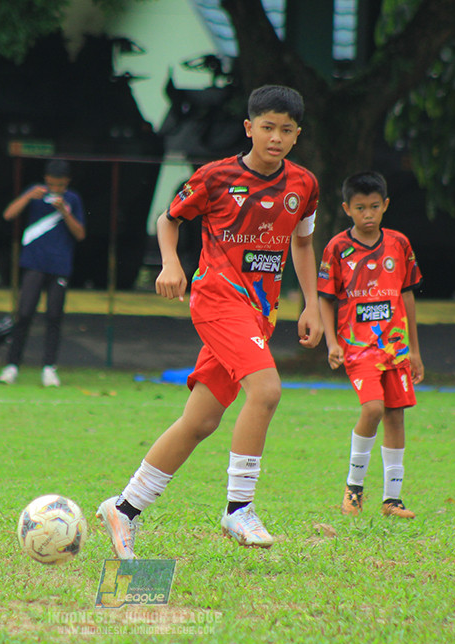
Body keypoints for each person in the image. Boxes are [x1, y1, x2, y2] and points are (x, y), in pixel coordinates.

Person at [96, 85, 323, 558]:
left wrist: (312, 305)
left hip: (260, 313)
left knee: (199, 421)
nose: (276, 138)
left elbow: (302, 244)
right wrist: (170, 264)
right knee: (267, 391)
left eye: (286, 130)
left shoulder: (304, 185)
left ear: (297, 135)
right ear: (249, 128)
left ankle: (124, 508)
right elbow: (168, 219)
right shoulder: (216, 177)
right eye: (267, 128)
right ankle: (239, 507)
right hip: (217, 300)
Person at [316, 170, 424, 519]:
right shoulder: (337, 248)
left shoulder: (399, 244)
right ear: (346, 209)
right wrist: (332, 343)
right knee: (373, 408)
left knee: (395, 415)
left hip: (396, 348)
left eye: (374, 207)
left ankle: (392, 499)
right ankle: (353, 489)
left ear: (385, 205)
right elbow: (326, 298)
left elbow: (407, 295)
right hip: (358, 346)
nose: (368, 215)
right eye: (360, 208)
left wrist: (415, 351)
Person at [0, 159, 86, 388]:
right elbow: (8, 214)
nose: (55, 188)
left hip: (60, 266)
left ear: (67, 182)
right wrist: (28, 196)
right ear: (46, 179)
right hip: (34, 263)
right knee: (24, 313)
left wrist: (64, 211)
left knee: (54, 316)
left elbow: (80, 234)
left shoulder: (73, 199)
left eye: (60, 185)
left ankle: (49, 368)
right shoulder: (35, 193)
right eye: (52, 183)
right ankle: (11, 366)